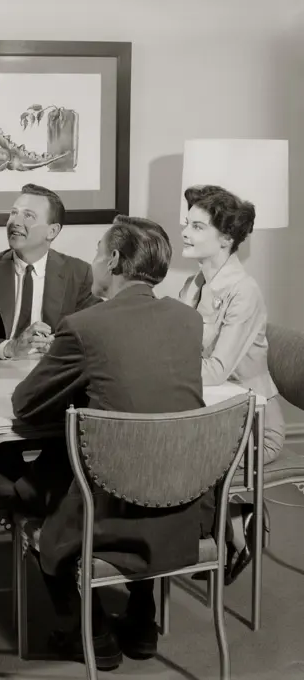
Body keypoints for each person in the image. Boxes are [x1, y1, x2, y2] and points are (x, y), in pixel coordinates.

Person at [11, 216, 209, 670]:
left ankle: (95, 635)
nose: (95, 261)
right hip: (182, 503)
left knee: (34, 486)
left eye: (99, 251)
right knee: (136, 461)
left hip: (112, 508)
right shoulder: (188, 319)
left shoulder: (84, 326)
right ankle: (142, 620)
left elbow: (25, 405)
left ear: (115, 260)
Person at [0, 183, 101, 525]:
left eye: (28, 215)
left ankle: (26, 505)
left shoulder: (79, 273)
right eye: (13, 212)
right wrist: (9, 347)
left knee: (78, 436)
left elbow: (94, 333)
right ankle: (22, 505)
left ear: (53, 231)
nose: (15, 220)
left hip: (52, 392)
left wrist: (60, 345)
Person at [179, 184, 285, 583]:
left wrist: (164, 365)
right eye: (187, 224)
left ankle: (236, 526)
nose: (186, 233)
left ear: (226, 238)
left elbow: (216, 369)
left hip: (254, 427)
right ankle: (223, 522)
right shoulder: (192, 285)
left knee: (174, 461)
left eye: (198, 227)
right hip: (208, 415)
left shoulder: (244, 291)